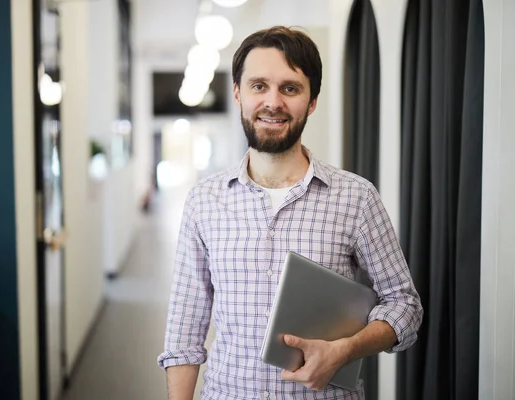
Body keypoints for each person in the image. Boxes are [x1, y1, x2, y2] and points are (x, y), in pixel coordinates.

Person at [157, 26, 423, 400]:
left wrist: (345, 350)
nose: (273, 102)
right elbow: (185, 329)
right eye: (258, 85)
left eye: (290, 88)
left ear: (311, 101)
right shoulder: (204, 201)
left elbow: (405, 305)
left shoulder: (356, 197)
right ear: (238, 93)